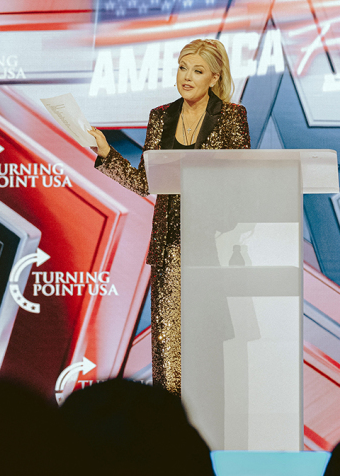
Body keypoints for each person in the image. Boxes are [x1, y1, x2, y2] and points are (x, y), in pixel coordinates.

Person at [88, 38, 250, 396]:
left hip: (213, 247)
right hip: (170, 250)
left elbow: (241, 181)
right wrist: (106, 153)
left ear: (214, 76)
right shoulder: (160, 117)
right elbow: (145, 182)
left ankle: (209, 431)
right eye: (182, 67)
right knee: (169, 354)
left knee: (208, 347)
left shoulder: (231, 117)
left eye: (197, 70)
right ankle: (170, 431)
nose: (187, 77)